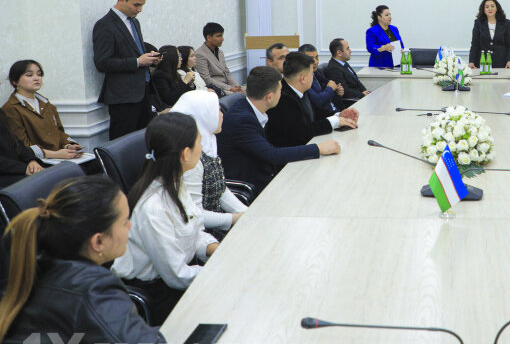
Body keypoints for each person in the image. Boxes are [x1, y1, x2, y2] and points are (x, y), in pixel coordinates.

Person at [0, 176, 167, 344]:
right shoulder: (91, 288)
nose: (130, 226)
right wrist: (156, 336)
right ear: (98, 241)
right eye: (125, 220)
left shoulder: (36, 266)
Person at [112, 112, 219, 324]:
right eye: (199, 141)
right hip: (156, 295)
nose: (202, 147)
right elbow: (176, 275)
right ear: (186, 154)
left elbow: (192, 228)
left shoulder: (174, 180)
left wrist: (212, 248)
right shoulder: (153, 207)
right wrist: (218, 272)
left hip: (181, 275)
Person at [216, 66, 341, 191]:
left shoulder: (246, 106)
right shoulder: (241, 120)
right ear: (269, 97)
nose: (282, 94)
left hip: (264, 173)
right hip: (252, 188)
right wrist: (318, 148)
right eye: (280, 90)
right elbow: (272, 155)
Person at [171, 91, 247, 240]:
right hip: (203, 234)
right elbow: (196, 215)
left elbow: (219, 189)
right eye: (217, 110)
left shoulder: (207, 141)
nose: (222, 114)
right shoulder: (190, 160)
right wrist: (235, 218)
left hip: (218, 223)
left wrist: (246, 212)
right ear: (203, 115)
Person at [92, 0, 161, 140]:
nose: (140, 9)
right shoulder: (105, 25)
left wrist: (150, 59)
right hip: (123, 97)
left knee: (142, 142)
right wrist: (138, 62)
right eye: (136, 5)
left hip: (143, 91)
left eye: (142, 5)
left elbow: (134, 51)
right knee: (123, 143)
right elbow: (102, 63)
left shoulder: (134, 22)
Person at [267, 52, 358, 147]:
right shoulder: (281, 98)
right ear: (303, 78)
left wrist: (340, 115)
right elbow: (301, 133)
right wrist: (336, 121)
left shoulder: (301, 90)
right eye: (312, 74)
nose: (313, 77)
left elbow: (317, 113)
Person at [2, 59, 83, 162]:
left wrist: (69, 146)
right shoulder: (11, 108)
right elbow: (22, 145)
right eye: (29, 75)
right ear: (15, 81)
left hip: (59, 156)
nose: (36, 78)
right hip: (36, 161)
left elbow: (59, 132)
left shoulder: (46, 104)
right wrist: (55, 154)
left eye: (39, 74)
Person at [194, 22, 243, 95]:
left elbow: (227, 72)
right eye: (219, 36)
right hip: (216, 89)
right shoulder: (200, 54)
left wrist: (236, 86)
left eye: (222, 35)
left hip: (227, 86)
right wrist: (230, 88)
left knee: (253, 92)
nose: (222, 39)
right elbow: (207, 80)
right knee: (242, 96)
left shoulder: (220, 52)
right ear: (209, 38)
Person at [468, 0, 510, 69]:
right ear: (483, 10)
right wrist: (471, 61)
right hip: (482, 63)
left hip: (501, 63)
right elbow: (475, 44)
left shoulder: (506, 23)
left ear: (497, 8)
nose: (490, 9)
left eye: (492, 6)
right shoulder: (478, 23)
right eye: (487, 7)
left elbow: (509, 44)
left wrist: (509, 61)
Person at [0, 110, 44, 187]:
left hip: (15, 169)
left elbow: (15, 141)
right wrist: (23, 168)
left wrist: (31, 161)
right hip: (6, 174)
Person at [299, 43, 342, 116]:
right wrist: (331, 88)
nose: (315, 62)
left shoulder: (317, 72)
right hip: (324, 116)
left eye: (317, 57)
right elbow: (318, 101)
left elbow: (329, 87)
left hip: (335, 111)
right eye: (311, 59)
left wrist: (338, 91)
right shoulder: (302, 79)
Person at [325, 38, 369, 103]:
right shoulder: (333, 68)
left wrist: (366, 92)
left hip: (360, 98)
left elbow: (357, 82)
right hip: (351, 102)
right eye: (347, 49)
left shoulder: (343, 63)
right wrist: (362, 95)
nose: (350, 51)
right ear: (339, 53)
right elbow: (344, 90)